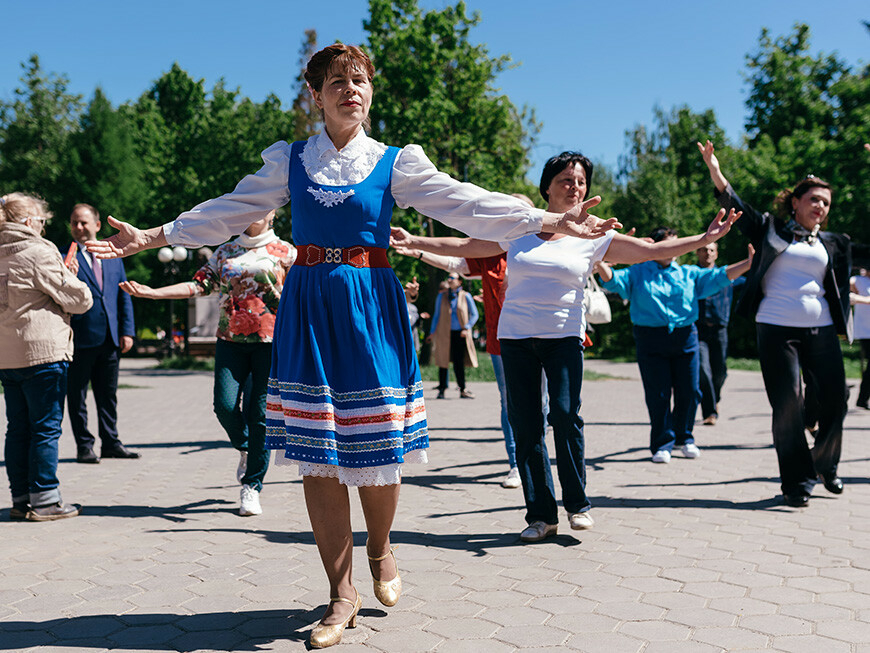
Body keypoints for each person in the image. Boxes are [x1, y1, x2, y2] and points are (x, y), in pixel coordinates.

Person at [85, 45, 622, 647]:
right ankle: (340, 595)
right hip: (311, 304)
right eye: (337, 81)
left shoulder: (395, 161)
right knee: (319, 451)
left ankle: (381, 546)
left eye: (359, 79)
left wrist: (546, 221)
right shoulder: (289, 161)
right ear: (315, 94)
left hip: (371, 301)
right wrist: (154, 235)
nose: (351, 89)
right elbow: (229, 210)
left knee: (377, 443)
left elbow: (465, 202)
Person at [391, 150, 741, 543]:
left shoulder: (596, 235)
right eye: (566, 181)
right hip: (516, 337)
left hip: (563, 338)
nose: (575, 187)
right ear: (547, 188)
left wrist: (704, 239)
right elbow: (465, 248)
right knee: (526, 424)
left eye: (580, 181)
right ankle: (541, 514)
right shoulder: (518, 226)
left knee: (564, 414)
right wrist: (414, 240)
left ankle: (577, 504)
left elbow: (652, 252)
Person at [698, 139, 868, 507]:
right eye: (814, 200)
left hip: (821, 329)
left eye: (825, 202)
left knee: (836, 400)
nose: (820, 207)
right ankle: (796, 483)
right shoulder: (770, 229)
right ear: (796, 202)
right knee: (788, 404)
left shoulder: (836, 243)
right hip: (775, 327)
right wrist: (715, 169)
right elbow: (735, 204)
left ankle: (825, 465)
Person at [120, 211, 295, 516]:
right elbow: (198, 286)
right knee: (224, 406)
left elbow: (301, 296)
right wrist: (153, 294)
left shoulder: (286, 252)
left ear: (274, 213)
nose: (257, 210)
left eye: (264, 205)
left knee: (260, 415)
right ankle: (245, 446)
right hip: (230, 340)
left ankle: (252, 486)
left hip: (271, 344)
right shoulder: (225, 251)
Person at [595, 231, 752, 463]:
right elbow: (613, 281)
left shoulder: (688, 273)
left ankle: (684, 438)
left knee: (690, 390)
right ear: (655, 247)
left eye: (676, 245)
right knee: (658, 394)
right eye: (668, 245)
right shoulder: (638, 271)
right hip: (650, 338)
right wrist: (598, 260)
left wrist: (748, 264)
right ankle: (662, 443)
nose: (673, 250)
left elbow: (720, 276)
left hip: (685, 337)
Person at [0, 193, 93, 520]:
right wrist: (71, 275)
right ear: (28, 222)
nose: (42, 227)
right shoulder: (39, 250)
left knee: (17, 428)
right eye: (40, 221)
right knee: (45, 428)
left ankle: (21, 498)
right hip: (42, 354)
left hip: (7, 358)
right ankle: (46, 501)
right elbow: (79, 300)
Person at [66, 204, 138, 463]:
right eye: (74, 222)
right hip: (78, 339)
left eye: (84, 222)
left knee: (108, 395)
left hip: (110, 337)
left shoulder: (113, 255)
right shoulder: (65, 258)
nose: (79, 227)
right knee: (77, 396)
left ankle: (111, 442)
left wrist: (127, 331)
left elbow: (123, 294)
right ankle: (84, 446)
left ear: (97, 225)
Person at [694, 241, 745, 425]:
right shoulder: (690, 275)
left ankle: (715, 399)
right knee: (703, 369)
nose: (707, 253)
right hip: (697, 330)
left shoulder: (728, 276)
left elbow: (752, 284)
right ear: (697, 253)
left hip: (719, 329)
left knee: (720, 372)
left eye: (711, 250)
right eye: (703, 250)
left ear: (716, 254)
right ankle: (710, 412)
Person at [426, 272, 479, 399]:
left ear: (460, 281)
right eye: (448, 278)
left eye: (452, 278)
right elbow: (437, 315)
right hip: (444, 333)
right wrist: (432, 333)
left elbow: (475, 314)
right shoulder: (442, 296)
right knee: (442, 361)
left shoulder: (465, 296)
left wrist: (467, 327)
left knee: (458, 362)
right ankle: (442, 389)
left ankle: (462, 389)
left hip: (460, 334)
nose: (449, 280)